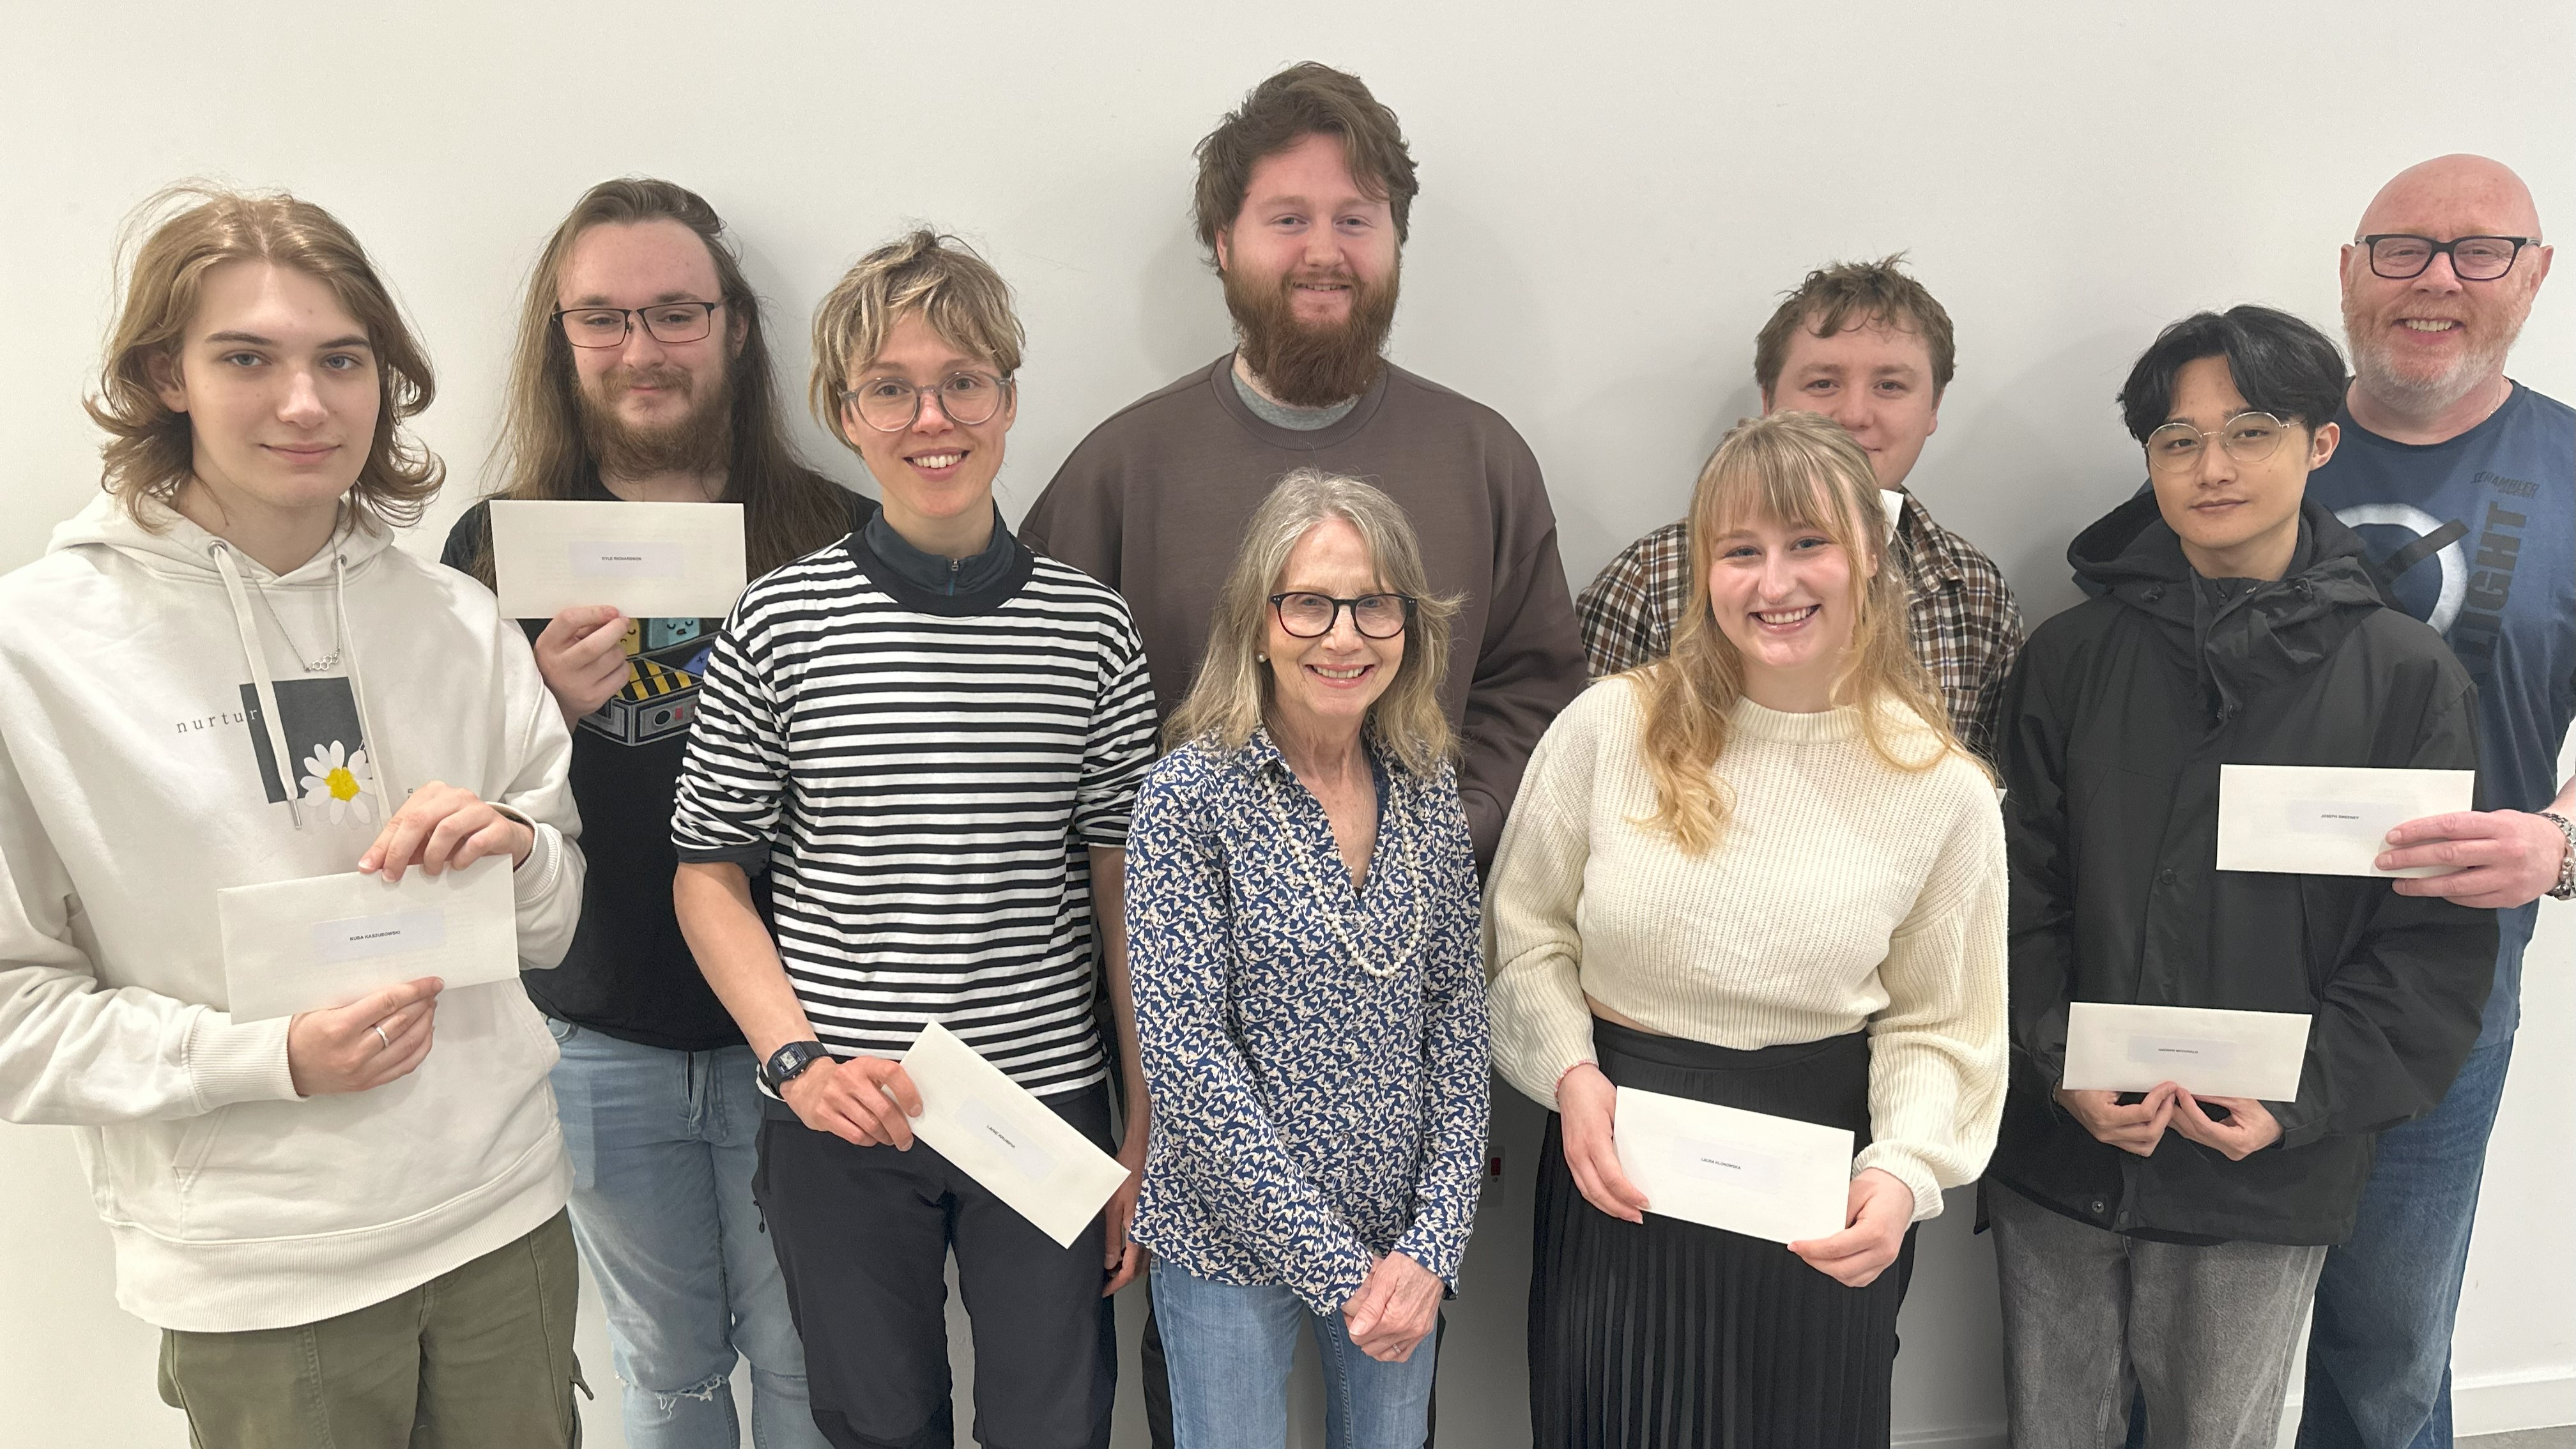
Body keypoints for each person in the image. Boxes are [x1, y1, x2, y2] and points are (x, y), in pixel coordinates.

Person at [0, 187, 587, 1445]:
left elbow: (548, 921)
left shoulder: (453, 620)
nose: (306, 402)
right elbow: (12, 1013)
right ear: (166, 375)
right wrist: (262, 1062)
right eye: (248, 358)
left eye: (342, 359)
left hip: (506, 1223)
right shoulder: (35, 653)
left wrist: (519, 852)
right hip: (263, 1276)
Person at [670, 229, 1157, 1449]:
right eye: (890, 387)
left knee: (1056, 1424)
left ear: (1007, 397)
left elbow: (1122, 892)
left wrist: (1141, 1113)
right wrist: (795, 1060)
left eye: (963, 381)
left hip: (1039, 1103)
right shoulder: (781, 620)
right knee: (874, 1424)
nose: (930, 416)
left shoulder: (1089, 628)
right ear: (846, 412)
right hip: (844, 1110)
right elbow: (709, 872)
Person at [1987, 305, 2497, 1449]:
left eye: (2249, 430)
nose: (2210, 466)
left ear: (2319, 442)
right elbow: (2011, 890)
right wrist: (2057, 1054)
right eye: (2176, 440)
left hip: (2262, 1165)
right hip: (2064, 1147)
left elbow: (2426, 950)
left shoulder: (2407, 680)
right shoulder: (2068, 658)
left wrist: (2293, 1097)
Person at [1487, 409, 2008, 1449]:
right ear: (1703, 567)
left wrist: (1903, 1172)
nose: (1774, 583)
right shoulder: (1608, 728)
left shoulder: (1941, 788)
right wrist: (1570, 1075)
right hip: (1616, 1157)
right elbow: (1523, 935)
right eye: (1741, 551)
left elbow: (1943, 1025)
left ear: (1868, 551)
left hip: (1823, 1180)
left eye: (1807, 543)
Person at [440, 178, 864, 1449]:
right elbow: (438, 811)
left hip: (803, 1034)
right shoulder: (493, 545)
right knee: (665, 1368)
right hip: (591, 1035)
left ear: (735, 327)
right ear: (558, 339)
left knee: (808, 1364)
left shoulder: (837, 535)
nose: (641, 349)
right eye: (604, 318)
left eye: (675, 313)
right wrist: (536, 712)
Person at [1019, 61, 1585, 872]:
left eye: (1356, 220)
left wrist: (1441, 835)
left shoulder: (1484, 461)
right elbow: (1045, 718)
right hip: (1180, 945)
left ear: (1395, 240)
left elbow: (1535, 693)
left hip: (1425, 950)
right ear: (1223, 242)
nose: (1325, 252)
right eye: (1288, 220)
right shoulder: (1119, 471)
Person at [2294, 155, 2572, 1449]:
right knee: (2184, 1326)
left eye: (2480, 252)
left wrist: (2560, 842)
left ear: (2537, 274)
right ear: (2351, 272)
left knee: (2390, 1345)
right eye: (2401, 249)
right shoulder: (2249, 446)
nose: (2437, 282)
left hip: (2447, 980)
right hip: (2223, 963)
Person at [1126, 471, 1489, 1449]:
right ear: (1257, 622)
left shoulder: (1425, 790)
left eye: (1375, 604)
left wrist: (1433, 1245)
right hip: (1227, 1241)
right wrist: (1340, 1269)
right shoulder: (1188, 798)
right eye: (1310, 604)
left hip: (1401, 1243)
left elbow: (1458, 1020)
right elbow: (1187, 1060)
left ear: (1409, 624)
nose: (1344, 636)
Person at [1577, 256, 2023, 765]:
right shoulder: (1650, 579)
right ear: (1770, 400)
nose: (1854, 415)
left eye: (1890, 386)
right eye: (1823, 384)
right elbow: (1589, 770)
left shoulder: (1976, 597)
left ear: (1934, 408)